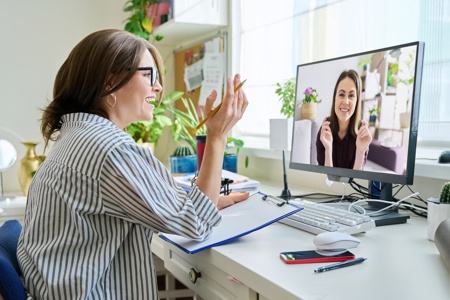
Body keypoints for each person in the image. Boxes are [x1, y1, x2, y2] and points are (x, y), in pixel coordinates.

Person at [17, 29, 249, 299]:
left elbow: (156, 201)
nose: (159, 87)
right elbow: (196, 223)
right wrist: (217, 136)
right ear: (109, 82)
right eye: (149, 75)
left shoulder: (77, 135)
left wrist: (202, 199)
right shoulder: (112, 150)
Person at [316, 69, 372, 170]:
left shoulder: (362, 134)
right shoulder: (324, 131)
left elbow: (356, 182)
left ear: (357, 101)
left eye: (351, 95)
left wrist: (360, 151)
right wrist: (328, 149)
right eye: (341, 94)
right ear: (335, 98)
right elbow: (325, 181)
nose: (346, 101)